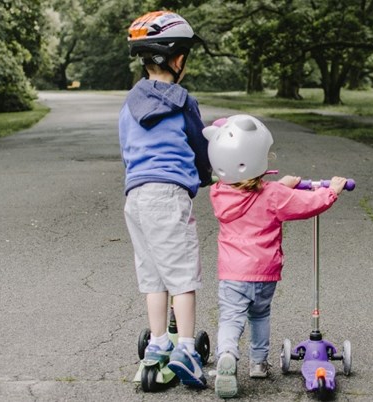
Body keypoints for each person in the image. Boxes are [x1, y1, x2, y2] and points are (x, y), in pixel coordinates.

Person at [202, 114, 347, 398]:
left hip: (232, 273)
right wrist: (331, 191)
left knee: (231, 318)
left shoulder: (219, 193)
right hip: (264, 273)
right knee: (260, 315)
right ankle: (258, 364)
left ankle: (227, 356)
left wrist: (282, 184)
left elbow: (251, 191)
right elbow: (306, 204)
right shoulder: (273, 195)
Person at [119, 11, 212, 388]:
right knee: (182, 276)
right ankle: (187, 349)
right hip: (168, 196)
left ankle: (157, 344)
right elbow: (200, 144)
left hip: (136, 197)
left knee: (153, 276)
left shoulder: (128, 104)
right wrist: (207, 176)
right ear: (178, 60)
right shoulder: (182, 101)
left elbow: (127, 148)